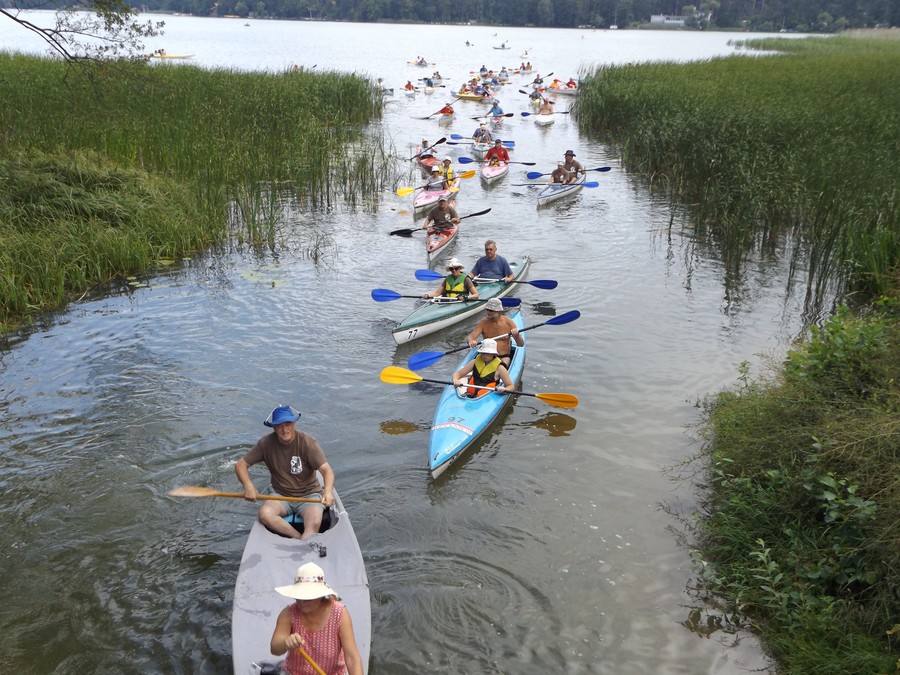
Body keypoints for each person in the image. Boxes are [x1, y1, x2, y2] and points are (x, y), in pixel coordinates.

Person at [235, 405, 335, 541]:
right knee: (265, 514)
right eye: (279, 426)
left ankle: (305, 544)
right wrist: (248, 486)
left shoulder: (307, 442)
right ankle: (298, 538)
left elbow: (326, 470)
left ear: (293, 423)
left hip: (308, 495)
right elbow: (241, 465)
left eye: (288, 424)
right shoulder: (265, 444)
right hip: (280, 495)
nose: (284, 429)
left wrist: (328, 492)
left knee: (315, 523)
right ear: (273, 427)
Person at [271, 562, 363, 675]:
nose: (301, 602)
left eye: (308, 596)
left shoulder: (340, 614)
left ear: (320, 595)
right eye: (298, 596)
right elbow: (275, 648)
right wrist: (286, 642)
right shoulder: (288, 613)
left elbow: (352, 657)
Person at [466, 297, 523, 366]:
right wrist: (471, 341)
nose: (488, 312)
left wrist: (516, 335)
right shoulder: (483, 322)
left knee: (500, 370)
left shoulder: (508, 322)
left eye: (491, 310)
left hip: (503, 357)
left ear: (499, 311)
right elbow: (471, 337)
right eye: (487, 310)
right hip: (486, 356)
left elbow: (520, 344)